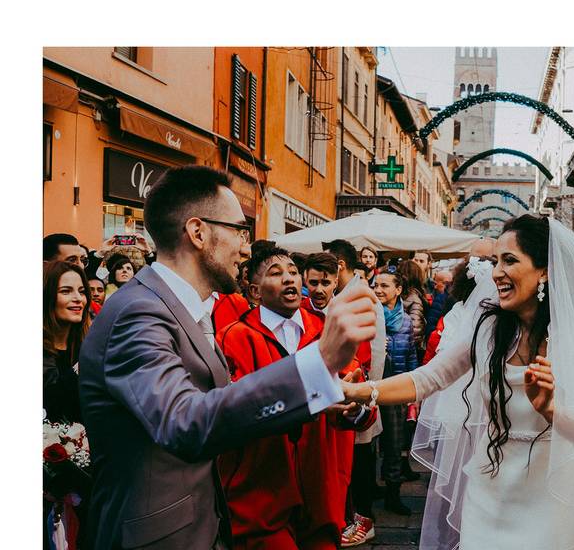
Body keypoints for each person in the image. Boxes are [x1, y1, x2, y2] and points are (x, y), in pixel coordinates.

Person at [78, 165, 378, 550]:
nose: (246, 246)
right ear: (198, 232)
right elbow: (183, 421)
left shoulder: (183, 310)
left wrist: (321, 400)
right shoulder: (138, 312)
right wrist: (317, 362)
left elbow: (216, 402)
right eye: (240, 230)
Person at [342, 214, 574, 550]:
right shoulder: (489, 330)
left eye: (509, 260)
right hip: (488, 489)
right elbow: (430, 377)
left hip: (551, 497)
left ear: (545, 270)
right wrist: (361, 391)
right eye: (495, 261)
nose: (496, 273)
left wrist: (550, 408)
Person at [216, 246, 377, 549]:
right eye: (276, 274)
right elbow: (231, 412)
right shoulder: (233, 337)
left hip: (322, 489)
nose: (289, 279)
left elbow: (363, 399)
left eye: (292, 272)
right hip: (261, 493)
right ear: (255, 290)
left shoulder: (327, 331)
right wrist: (311, 402)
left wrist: (355, 408)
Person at [322, 240, 388, 548]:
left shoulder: (361, 295)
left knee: (361, 460)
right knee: (353, 459)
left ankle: (364, 519)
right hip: (352, 390)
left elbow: (371, 348)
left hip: (359, 391)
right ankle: (354, 516)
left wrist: (361, 389)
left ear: (339, 265)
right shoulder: (346, 293)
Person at [43, 260, 92, 549]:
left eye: (81, 291)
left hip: (85, 481)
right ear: (49, 296)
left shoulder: (88, 345)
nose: (78, 299)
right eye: (66, 291)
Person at [371, 266, 420, 516]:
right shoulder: (368, 315)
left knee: (394, 442)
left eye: (384, 286)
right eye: (375, 285)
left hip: (397, 386)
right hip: (370, 385)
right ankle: (368, 488)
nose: (378, 290)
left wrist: (414, 388)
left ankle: (393, 493)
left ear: (398, 290)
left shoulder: (406, 321)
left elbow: (411, 353)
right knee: (368, 443)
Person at [397, 259, 428, 361]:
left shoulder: (401, 295)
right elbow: (416, 331)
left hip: (400, 347)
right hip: (407, 350)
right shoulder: (415, 298)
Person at [423, 270, 452, 346]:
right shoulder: (440, 299)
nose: (435, 287)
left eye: (436, 284)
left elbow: (431, 325)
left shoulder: (441, 299)